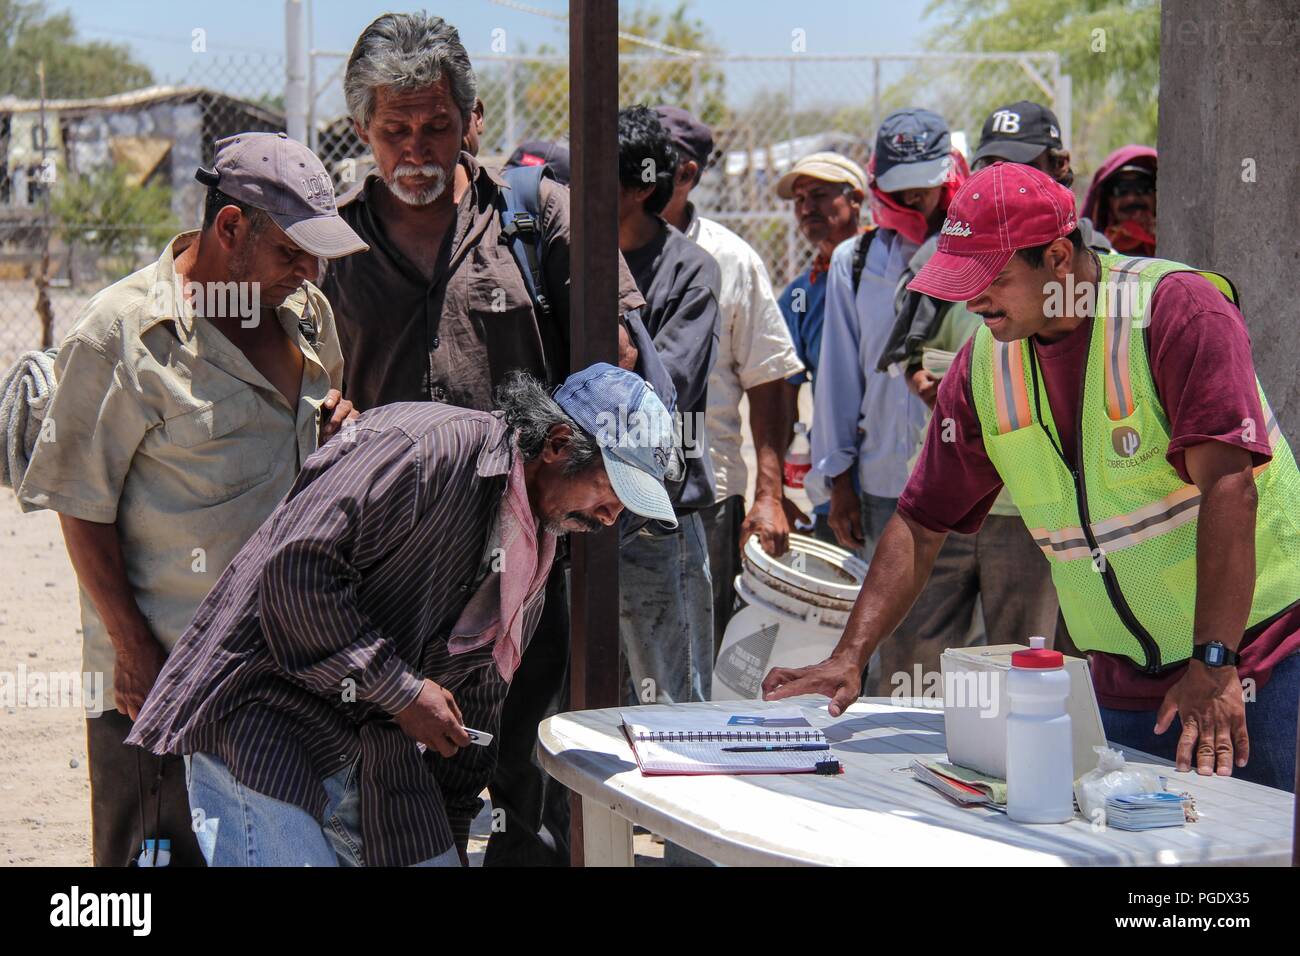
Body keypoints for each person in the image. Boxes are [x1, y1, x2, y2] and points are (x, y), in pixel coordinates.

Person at [765, 161, 1300, 793]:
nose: (971, 300)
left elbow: (1230, 488)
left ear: (1056, 257)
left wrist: (1214, 664)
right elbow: (922, 521)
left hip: (1257, 664)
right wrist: (849, 657)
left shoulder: (1176, 310)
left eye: (990, 278)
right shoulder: (984, 366)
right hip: (1124, 683)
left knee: (1249, 859)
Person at [322, 13, 667, 868]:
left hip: (528, 559)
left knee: (534, 786)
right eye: (393, 129)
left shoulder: (537, 216)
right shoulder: (328, 247)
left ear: (472, 120)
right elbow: (300, 380)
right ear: (362, 130)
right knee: (401, 785)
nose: (416, 148)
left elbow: (618, 358)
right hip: (392, 573)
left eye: (436, 124)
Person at [126, 364, 681, 866]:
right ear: (559, 444)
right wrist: (400, 692)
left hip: (379, 757)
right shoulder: (423, 449)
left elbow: (477, 700)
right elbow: (293, 576)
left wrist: (454, 821)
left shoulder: (533, 550)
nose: (611, 518)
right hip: (264, 724)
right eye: (611, 493)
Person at [17, 131, 365, 866]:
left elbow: (313, 431)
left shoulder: (307, 319)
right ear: (231, 228)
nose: (309, 273)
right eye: (292, 253)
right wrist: (132, 648)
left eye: (317, 257)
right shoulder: (122, 334)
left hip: (280, 671)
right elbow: (80, 503)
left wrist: (340, 425)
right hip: (165, 680)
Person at [656, 104, 805, 652]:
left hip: (706, 494)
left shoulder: (730, 258)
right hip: (611, 492)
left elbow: (769, 379)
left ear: (687, 174)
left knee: (698, 648)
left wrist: (770, 494)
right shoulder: (598, 247)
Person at [617, 104, 721, 704]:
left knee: (673, 703)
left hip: (660, 514)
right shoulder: (568, 255)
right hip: (586, 511)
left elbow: (666, 389)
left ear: (637, 188)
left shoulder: (690, 271)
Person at [774, 151, 868, 543]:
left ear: (856, 199)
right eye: (799, 200)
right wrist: (776, 492)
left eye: (819, 195)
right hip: (836, 486)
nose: (806, 208)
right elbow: (783, 392)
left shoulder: (891, 273)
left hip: (903, 476)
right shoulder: (799, 295)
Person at [1084, 146, 1158, 257]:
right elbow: (1069, 274)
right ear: (1108, 200)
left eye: (1142, 188)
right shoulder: (1088, 254)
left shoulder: (1177, 241)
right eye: (1121, 190)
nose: (1131, 199)